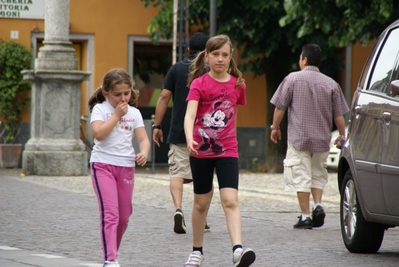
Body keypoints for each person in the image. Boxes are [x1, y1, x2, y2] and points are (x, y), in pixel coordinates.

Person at [183, 34, 256, 267]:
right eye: (215, 54)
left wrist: (229, 138)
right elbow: (190, 116)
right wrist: (188, 139)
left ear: (230, 57)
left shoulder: (237, 84)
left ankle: (237, 249)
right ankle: (196, 251)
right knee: (201, 203)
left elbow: (232, 115)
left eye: (225, 55)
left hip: (228, 151)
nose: (220, 59)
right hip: (200, 150)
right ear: (207, 56)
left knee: (230, 199)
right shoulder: (199, 83)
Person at [270, 44, 349, 230]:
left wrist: (275, 127)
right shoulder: (331, 84)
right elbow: (339, 115)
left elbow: (280, 106)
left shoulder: (292, 79)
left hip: (299, 138)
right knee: (318, 174)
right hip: (322, 138)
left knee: (301, 175)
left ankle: (305, 216)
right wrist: (342, 135)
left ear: (304, 60)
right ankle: (318, 205)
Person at [88, 68, 150, 267]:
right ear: (106, 93)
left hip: (125, 167)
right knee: (111, 214)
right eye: (117, 94)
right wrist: (115, 116)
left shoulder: (135, 113)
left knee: (123, 217)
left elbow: (143, 139)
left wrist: (144, 152)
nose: (123, 98)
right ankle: (111, 259)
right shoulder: (101, 109)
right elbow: (98, 134)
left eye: (127, 93)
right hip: (102, 164)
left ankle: (111, 253)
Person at [152, 32, 212, 234]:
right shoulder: (212, 72)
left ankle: (178, 209)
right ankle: (201, 219)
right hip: (206, 133)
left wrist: (157, 126)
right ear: (208, 51)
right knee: (204, 177)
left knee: (177, 173)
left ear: (188, 50)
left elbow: (163, 96)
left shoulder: (176, 69)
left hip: (179, 130)